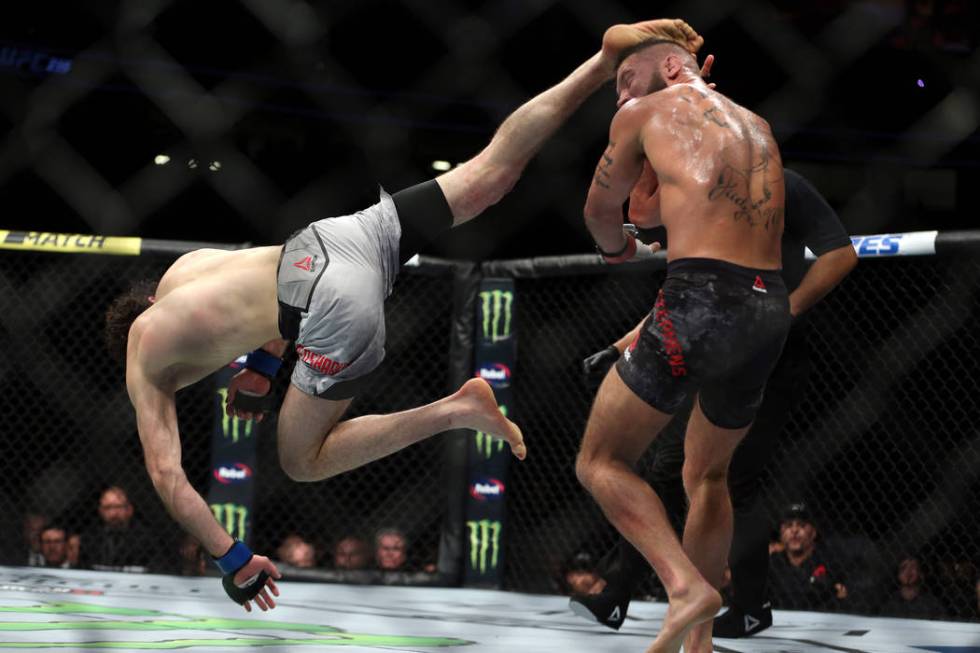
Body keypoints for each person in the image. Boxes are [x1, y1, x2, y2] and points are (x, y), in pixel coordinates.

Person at [103, 16, 699, 613]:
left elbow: (168, 479)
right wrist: (260, 367)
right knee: (488, 175)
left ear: (138, 325)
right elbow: (271, 296)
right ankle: (598, 63)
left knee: (300, 459)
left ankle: (455, 409)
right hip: (333, 238)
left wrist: (232, 559)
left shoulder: (144, 360)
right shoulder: (188, 268)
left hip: (333, 301)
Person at [574, 32, 794, 653]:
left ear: (671, 66)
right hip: (769, 306)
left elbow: (604, 212)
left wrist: (616, 250)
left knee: (601, 460)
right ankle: (696, 645)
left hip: (702, 296)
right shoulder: (757, 125)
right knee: (708, 474)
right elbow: (654, 209)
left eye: (625, 80)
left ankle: (685, 587)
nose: (619, 95)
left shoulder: (643, 112)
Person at [571, 168, 856, 637]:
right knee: (666, 470)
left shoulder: (777, 181)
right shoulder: (697, 187)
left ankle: (747, 605)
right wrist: (622, 345)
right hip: (709, 347)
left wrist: (786, 311)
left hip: (769, 353)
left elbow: (840, 254)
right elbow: (683, 294)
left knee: (729, 480)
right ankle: (619, 594)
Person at [768, 503, 847, 611]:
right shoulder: (772, 564)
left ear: (813, 533)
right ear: (781, 534)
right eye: (788, 525)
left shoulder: (831, 563)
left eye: (801, 525)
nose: (794, 530)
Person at [78, 486, 156, 573]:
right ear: (100, 511)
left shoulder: (145, 538)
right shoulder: (90, 536)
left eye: (118, 507)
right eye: (107, 507)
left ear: (129, 510)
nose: (113, 513)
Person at [878, 556, 945, 620]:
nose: (908, 571)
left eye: (913, 567)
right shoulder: (891, 602)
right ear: (898, 575)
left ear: (921, 575)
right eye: (903, 567)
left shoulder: (931, 603)